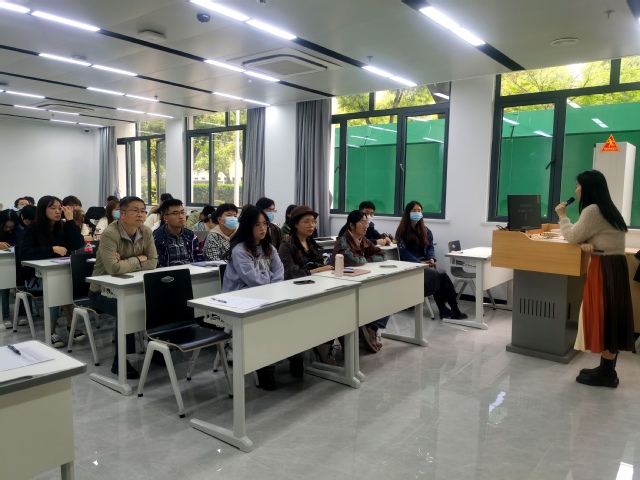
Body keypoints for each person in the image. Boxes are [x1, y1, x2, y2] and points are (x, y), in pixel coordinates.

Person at [555, 170, 634, 388]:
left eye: (578, 186)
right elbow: (588, 236)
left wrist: (562, 216)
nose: (576, 190)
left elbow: (572, 236)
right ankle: (606, 369)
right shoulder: (607, 208)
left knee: (605, 317)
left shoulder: (592, 210)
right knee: (611, 317)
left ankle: (607, 374)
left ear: (588, 188)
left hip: (605, 268)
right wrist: (584, 242)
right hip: (615, 266)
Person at [88, 196, 158, 379]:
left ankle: (156, 349)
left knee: (156, 304)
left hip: (132, 287)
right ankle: (120, 361)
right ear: (122, 213)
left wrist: (125, 262)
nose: (141, 214)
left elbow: (153, 262)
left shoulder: (146, 231)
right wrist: (138, 259)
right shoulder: (110, 233)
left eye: (143, 210)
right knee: (126, 309)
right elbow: (113, 268)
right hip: (101, 292)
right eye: (135, 210)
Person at [223, 205, 291, 389]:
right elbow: (254, 280)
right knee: (268, 322)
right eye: (257, 225)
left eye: (265, 224)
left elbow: (280, 272)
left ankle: (290, 356)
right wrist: (270, 278)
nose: (262, 228)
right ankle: (264, 365)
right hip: (238, 301)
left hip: (264, 296)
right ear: (248, 226)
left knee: (288, 314)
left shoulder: (269, 248)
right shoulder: (240, 250)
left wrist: (269, 280)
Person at [20, 195, 86, 347]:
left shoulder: (63, 226)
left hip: (61, 274)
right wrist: (52, 249)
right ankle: (57, 328)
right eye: (53, 208)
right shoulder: (33, 229)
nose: (57, 211)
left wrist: (70, 221)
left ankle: (63, 327)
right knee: (56, 285)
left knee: (60, 283)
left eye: (59, 208)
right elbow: (25, 253)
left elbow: (77, 244)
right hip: (36, 277)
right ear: (43, 210)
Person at [278, 205, 336, 364]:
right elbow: (290, 272)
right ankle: (319, 344)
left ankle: (326, 342)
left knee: (337, 305)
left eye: (313, 222)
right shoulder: (287, 244)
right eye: (307, 221)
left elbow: (318, 264)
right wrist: (317, 270)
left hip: (314, 287)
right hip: (294, 291)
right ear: (296, 224)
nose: (312, 225)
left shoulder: (311, 243)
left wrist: (321, 269)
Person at [396, 201, 468, 321]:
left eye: (419, 210)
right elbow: (404, 252)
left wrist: (432, 258)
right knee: (435, 275)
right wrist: (419, 263)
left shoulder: (425, 230)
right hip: (412, 265)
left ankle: (454, 309)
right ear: (408, 213)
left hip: (426, 262)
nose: (417, 213)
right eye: (414, 211)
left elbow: (430, 247)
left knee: (443, 274)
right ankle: (442, 309)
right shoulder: (401, 232)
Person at [331, 210, 389, 352]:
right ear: (351, 225)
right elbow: (355, 261)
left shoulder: (363, 240)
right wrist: (365, 260)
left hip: (360, 280)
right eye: (362, 222)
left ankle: (371, 328)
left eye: (366, 222)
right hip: (342, 284)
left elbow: (383, 254)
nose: (365, 226)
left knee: (386, 296)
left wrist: (368, 259)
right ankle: (367, 328)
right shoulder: (343, 241)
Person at [153, 198, 204, 267]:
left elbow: (199, 259)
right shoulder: (156, 238)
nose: (181, 216)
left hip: (191, 272)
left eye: (182, 212)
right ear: (165, 218)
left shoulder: (191, 236)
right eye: (175, 213)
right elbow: (158, 265)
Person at [0, 209, 19, 327]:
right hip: (2, 264)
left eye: (11, 227)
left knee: (21, 285)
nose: (8, 229)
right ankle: (5, 315)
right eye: (6, 227)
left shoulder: (19, 230)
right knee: (4, 286)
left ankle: (22, 314)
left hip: (16, 262)